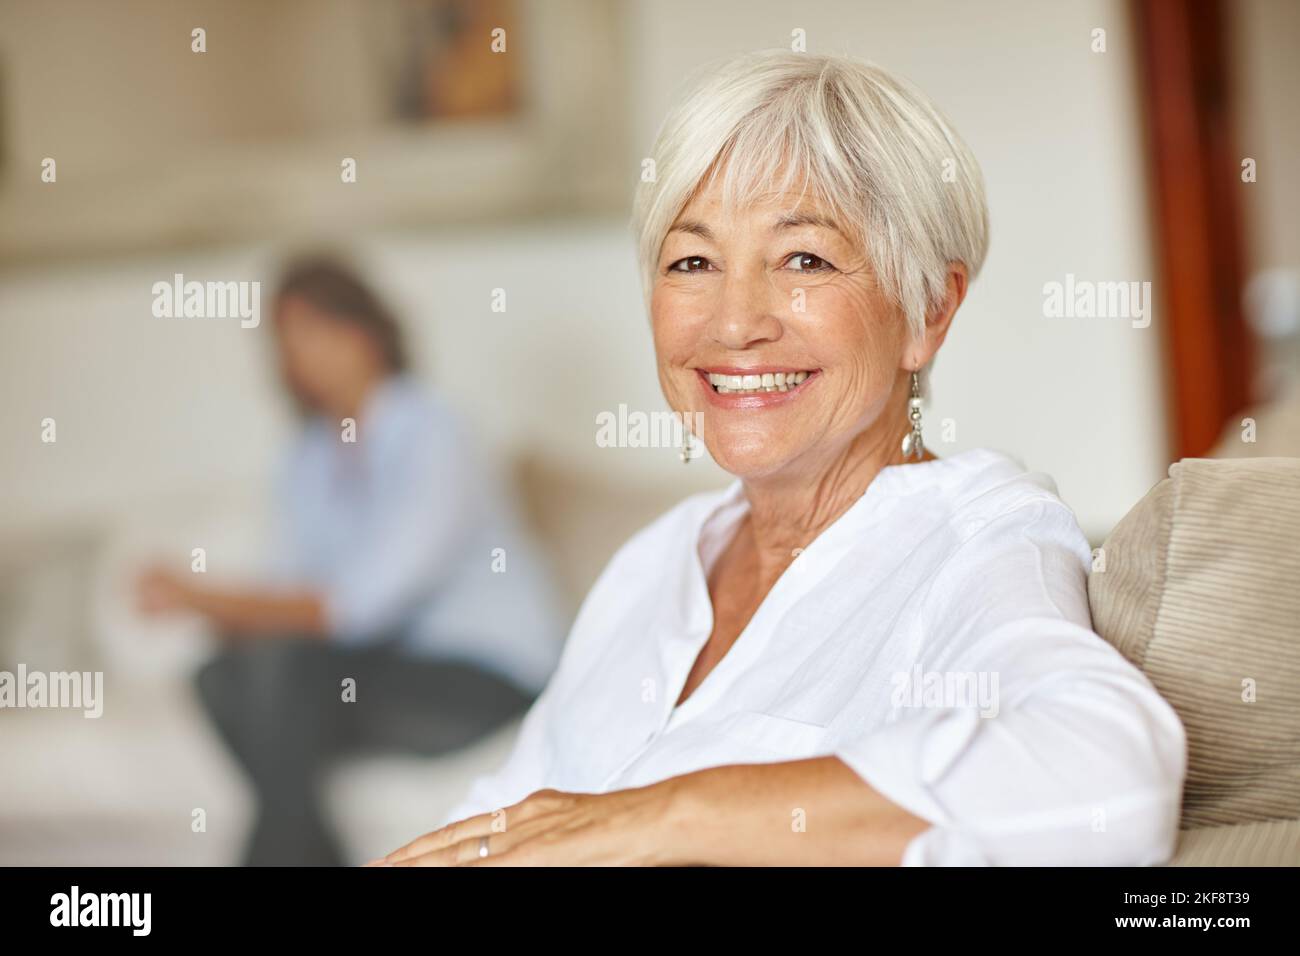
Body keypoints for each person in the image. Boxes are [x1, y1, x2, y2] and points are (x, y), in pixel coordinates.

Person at [378, 51, 1187, 867]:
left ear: (928, 312)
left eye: (805, 259)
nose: (735, 323)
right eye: (693, 261)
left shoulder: (979, 540)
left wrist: (674, 814)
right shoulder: (658, 561)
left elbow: (1108, 785)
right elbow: (507, 817)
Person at [137, 256, 564, 866]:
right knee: (219, 676)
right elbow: (290, 596)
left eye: (318, 331)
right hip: (378, 672)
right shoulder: (307, 457)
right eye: (288, 340)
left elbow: (357, 609)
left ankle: (282, 849)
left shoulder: (433, 432)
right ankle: (306, 842)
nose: (304, 355)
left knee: (286, 677)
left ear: (366, 331)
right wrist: (229, 616)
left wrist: (200, 596)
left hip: (481, 676)